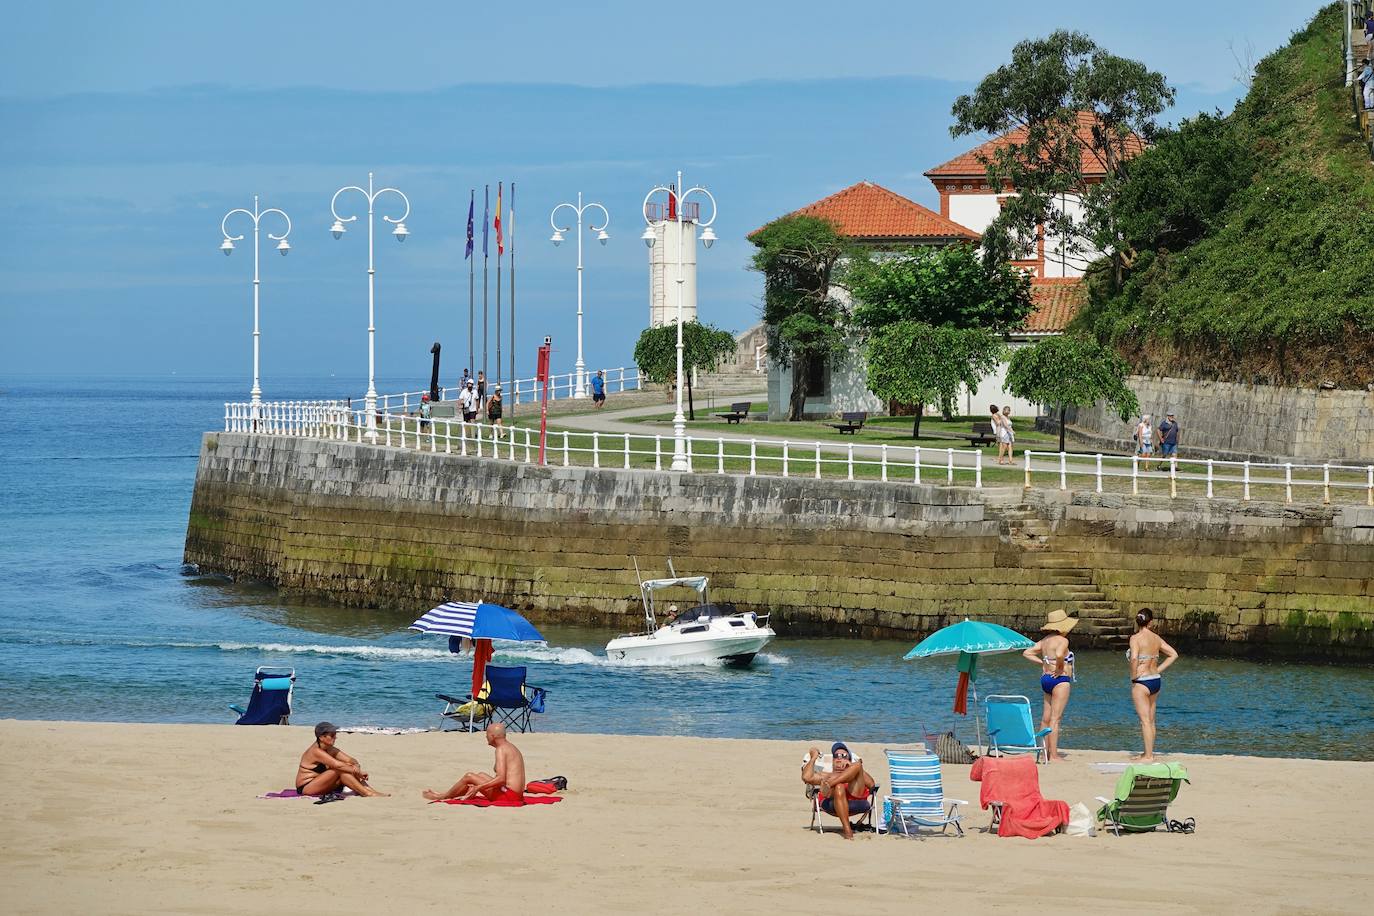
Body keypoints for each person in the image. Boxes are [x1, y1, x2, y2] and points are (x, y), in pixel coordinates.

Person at [422, 723, 527, 805]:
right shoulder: (511, 747)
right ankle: (456, 794)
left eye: (487, 734)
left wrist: (478, 788)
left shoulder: (501, 750)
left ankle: (442, 797)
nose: (486, 737)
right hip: (516, 794)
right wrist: (480, 785)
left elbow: (501, 779)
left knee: (469, 776)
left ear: (493, 736)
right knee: (480, 775)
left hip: (508, 797)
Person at [1022, 609, 1077, 763]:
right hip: (1060, 680)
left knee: (1045, 717)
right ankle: (1054, 755)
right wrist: (1059, 667)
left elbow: (1027, 653)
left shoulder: (1045, 640)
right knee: (1056, 718)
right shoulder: (1062, 640)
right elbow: (1060, 654)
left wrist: (1043, 662)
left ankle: (1042, 752)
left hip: (1046, 679)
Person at [1127, 608, 1179, 763]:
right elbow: (1173, 654)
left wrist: (1133, 676)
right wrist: (1159, 669)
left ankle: (1148, 755)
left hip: (1142, 681)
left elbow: (1134, 658)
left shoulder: (1135, 638)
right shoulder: (1156, 638)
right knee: (1151, 719)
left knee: (1144, 720)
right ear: (1150, 622)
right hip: (1155, 679)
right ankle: (1148, 752)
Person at [801, 742, 875, 840]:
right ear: (832, 761)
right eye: (836, 756)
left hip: (856, 795)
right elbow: (806, 777)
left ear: (849, 759)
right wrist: (814, 757)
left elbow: (871, 784)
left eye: (844, 756)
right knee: (839, 787)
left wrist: (852, 766)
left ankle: (831, 784)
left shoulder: (856, 769)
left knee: (858, 765)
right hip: (833, 801)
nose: (840, 758)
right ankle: (847, 830)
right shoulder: (827, 775)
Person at [295, 722, 388, 797]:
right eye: (332, 735)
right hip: (307, 787)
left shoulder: (330, 749)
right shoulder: (315, 751)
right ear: (321, 737)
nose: (335, 737)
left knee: (347, 768)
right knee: (340, 769)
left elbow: (351, 760)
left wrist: (356, 766)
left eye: (335, 735)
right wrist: (358, 772)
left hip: (323, 784)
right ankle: (366, 793)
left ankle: (370, 791)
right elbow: (337, 765)